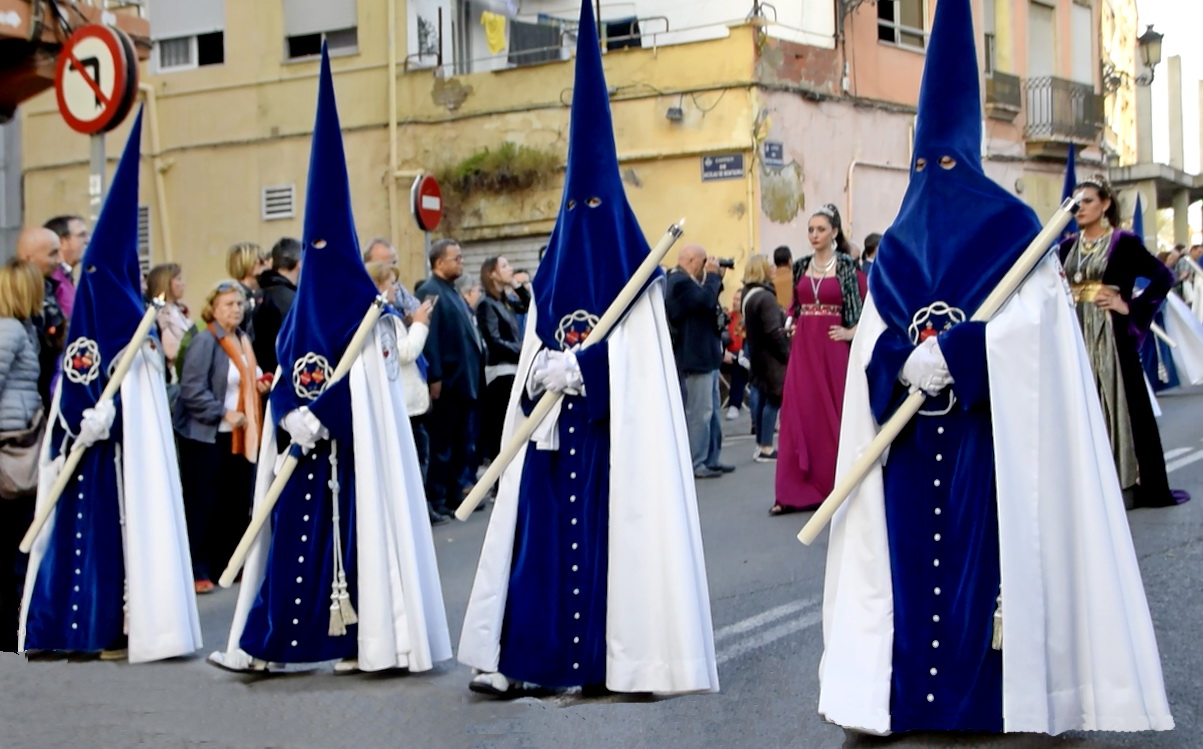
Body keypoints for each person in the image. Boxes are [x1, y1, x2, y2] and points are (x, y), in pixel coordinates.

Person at [819, 0, 1172, 735]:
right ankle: (904, 697)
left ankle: (994, 699)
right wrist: (901, 358)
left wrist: (959, 353)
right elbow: (872, 342)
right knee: (909, 575)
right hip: (909, 454)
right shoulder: (902, 235)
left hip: (989, 446)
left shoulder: (1013, 231)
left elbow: (1036, 333)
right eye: (925, 161)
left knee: (990, 574)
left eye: (942, 159)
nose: (932, 174)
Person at [459, 1, 717, 698]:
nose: (583, 218)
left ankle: (623, 660)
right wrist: (543, 362)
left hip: (611, 444)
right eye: (576, 206)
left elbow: (642, 362)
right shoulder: (551, 267)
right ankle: (526, 657)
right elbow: (538, 334)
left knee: (615, 542)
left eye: (592, 207)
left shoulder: (634, 271)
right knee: (537, 547)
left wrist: (589, 368)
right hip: (548, 442)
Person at [209, 51, 450, 674]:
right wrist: (292, 414)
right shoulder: (297, 308)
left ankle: (362, 643)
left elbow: (373, 375)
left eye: (325, 244)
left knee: (358, 545)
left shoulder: (365, 306)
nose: (315, 254)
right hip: (300, 449)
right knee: (289, 544)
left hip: (352, 454)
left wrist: (330, 415)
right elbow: (288, 367)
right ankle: (268, 646)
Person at [20, 114, 201, 662]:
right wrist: (85, 419)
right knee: (88, 540)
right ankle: (85, 628)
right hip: (93, 457)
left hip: (123, 455)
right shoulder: (96, 318)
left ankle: (127, 623)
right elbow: (76, 381)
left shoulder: (132, 317)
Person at [1058, 174, 1189, 509]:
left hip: (1111, 337)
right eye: (1076, 202)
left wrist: (1128, 307)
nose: (1080, 207)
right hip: (1075, 336)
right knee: (1079, 404)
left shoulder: (1124, 242)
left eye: (1087, 200)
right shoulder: (1067, 246)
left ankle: (1127, 482)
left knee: (1121, 404)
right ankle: (1085, 483)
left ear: (1105, 204)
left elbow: (1164, 276)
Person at [173, 281, 267, 594]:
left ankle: (227, 562)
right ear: (213, 309)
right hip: (208, 435)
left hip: (239, 435)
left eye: (239, 304)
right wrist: (222, 412)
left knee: (235, 502)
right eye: (228, 304)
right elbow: (192, 390)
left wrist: (260, 385)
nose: (236, 310)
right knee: (205, 504)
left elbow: (245, 378)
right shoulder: (206, 341)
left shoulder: (242, 339)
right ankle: (198, 566)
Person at [773, 204, 865, 514]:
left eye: (820, 229)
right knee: (799, 411)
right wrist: (791, 322)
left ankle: (835, 485)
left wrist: (852, 333)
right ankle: (792, 491)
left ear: (834, 232)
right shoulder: (799, 266)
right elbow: (795, 306)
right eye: (811, 229)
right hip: (804, 348)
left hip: (832, 346)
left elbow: (860, 307)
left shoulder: (846, 267)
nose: (814, 235)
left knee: (833, 412)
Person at [366, 261, 440, 523]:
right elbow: (404, 353)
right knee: (416, 463)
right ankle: (416, 516)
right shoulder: (383, 317)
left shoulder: (389, 314)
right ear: (378, 285)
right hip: (406, 405)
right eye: (391, 282)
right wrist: (420, 324)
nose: (397, 288)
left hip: (409, 401)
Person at [416, 239, 485, 517]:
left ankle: (456, 492)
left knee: (460, 443)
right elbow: (430, 335)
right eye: (456, 258)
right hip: (447, 380)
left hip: (463, 380)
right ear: (439, 262)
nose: (461, 262)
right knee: (442, 443)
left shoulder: (452, 291)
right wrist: (435, 376)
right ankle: (438, 495)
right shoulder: (429, 291)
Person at [0, 259, 43, 653]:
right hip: (11, 446)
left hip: (17, 440)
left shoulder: (22, 329)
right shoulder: (11, 331)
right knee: (16, 538)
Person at [666, 244, 734, 478]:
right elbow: (703, 301)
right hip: (694, 358)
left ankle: (711, 458)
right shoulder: (678, 283)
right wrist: (714, 277)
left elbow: (708, 301)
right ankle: (697, 462)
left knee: (712, 411)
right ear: (693, 260)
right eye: (704, 262)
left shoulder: (691, 282)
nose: (707, 266)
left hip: (707, 355)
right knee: (699, 412)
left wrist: (716, 280)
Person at [477, 256, 531, 463]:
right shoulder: (486, 305)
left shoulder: (504, 302)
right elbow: (494, 341)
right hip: (500, 374)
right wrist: (522, 350)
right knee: (501, 428)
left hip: (513, 369)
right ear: (492, 273)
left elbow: (529, 305)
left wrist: (516, 285)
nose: (509, 269)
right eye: (504, 266)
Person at [740, 256, 789, 465]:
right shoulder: (766, 298)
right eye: (768, 265)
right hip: (771, 358)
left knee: (763, 399)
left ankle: (761, 444)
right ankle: (767, 446)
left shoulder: (748, 295)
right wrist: (787, 352)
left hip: (758, 354)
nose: (772, 268)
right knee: (773, 400)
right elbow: (773, 332)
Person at [14, 226, 65, 407]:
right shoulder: (14, 305)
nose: (60, 259)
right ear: (29, 258)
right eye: (53, 253)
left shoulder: (51, 289)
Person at [252, 237, 303, 374]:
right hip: (285, 378)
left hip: (261, 378)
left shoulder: (257, 294)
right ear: (299, 263)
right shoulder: (293, 301)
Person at [145, 263, 192, 379]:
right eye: (178, 279)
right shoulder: (160, 314)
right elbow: (171, 352)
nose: (183, 283)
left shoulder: (179, 310)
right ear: (165, 283)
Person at [43, 215, 89, 320]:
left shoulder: (66, 276)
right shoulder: (52, 279)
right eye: (81, 235)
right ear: (62, 242)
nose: (88, 240)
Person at [363, 237, 422, 316]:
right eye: (384, 265)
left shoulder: (396, 287)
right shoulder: (361, 291)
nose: (390, 268)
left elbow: (416, 308)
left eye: (393, 263)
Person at [226, 241, 269, 336]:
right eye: (261, 261)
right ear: (251, 265)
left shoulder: (258, 293)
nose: (266, 264)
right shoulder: (237, 296)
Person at [722, 288, 749, 420]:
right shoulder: (727, 317)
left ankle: (734, 405)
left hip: (743, 358)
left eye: (738, 299)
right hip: (724, 356)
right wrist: (724, 352)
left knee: (740, 366)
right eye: (734, 299)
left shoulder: (749, 319)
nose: (735, 302)